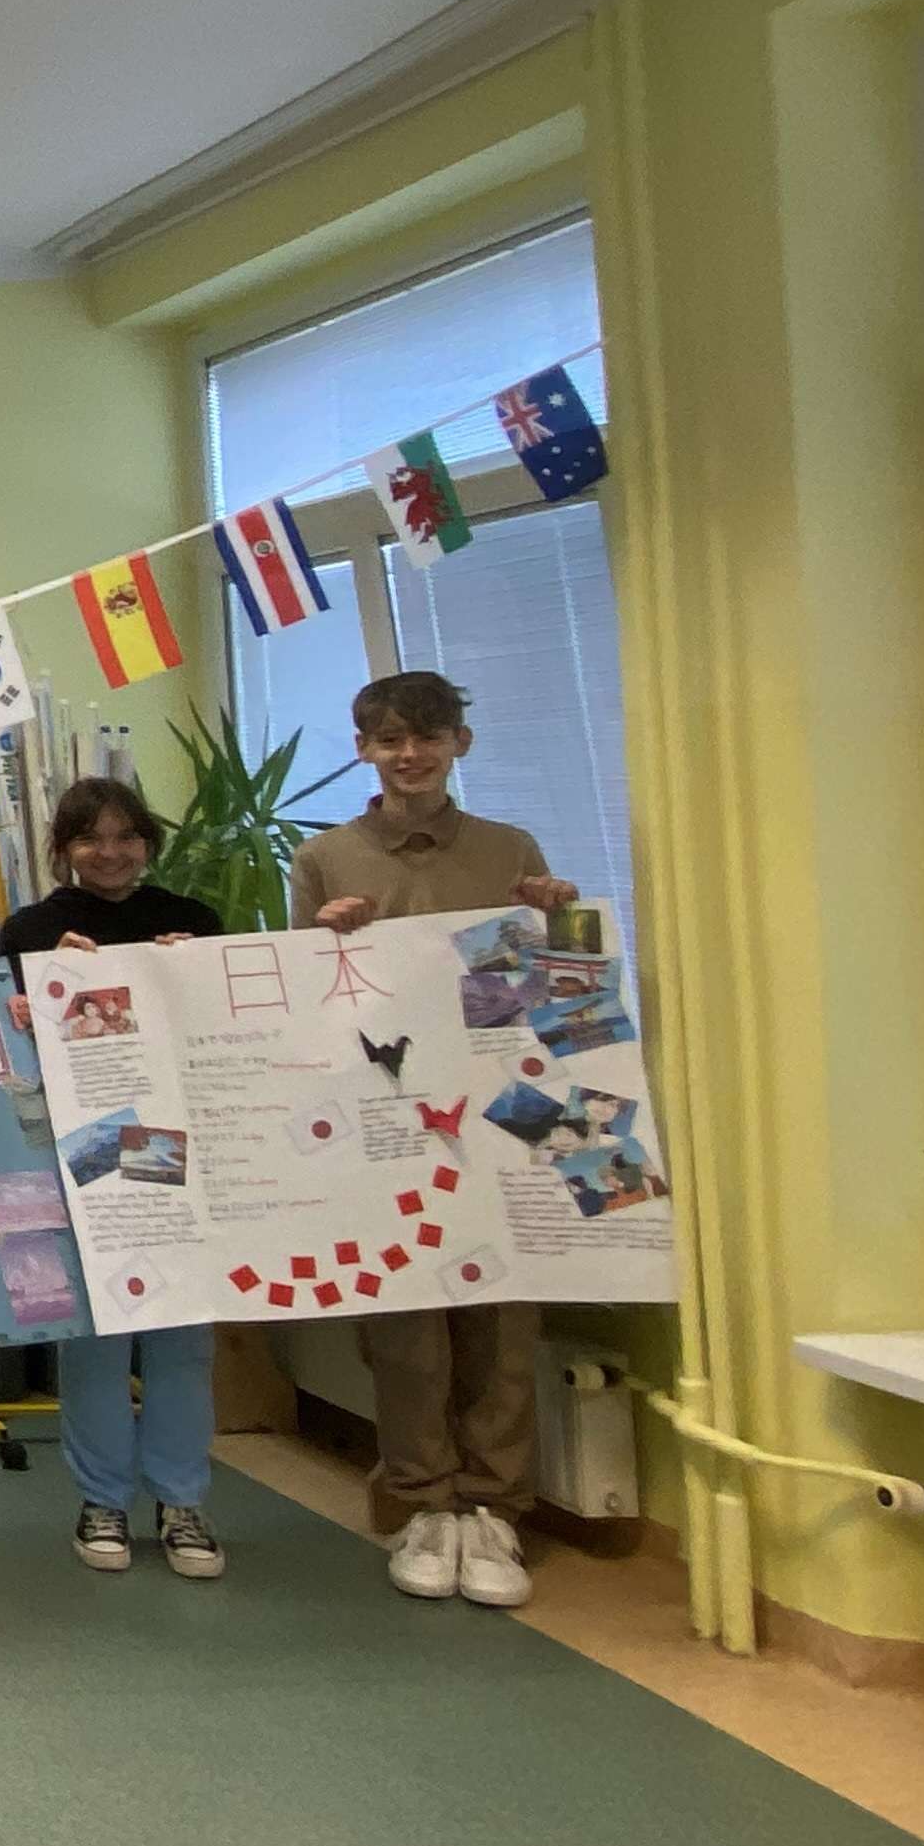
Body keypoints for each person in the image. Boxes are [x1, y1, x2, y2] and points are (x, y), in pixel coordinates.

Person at [289, 670, 580, 1613]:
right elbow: (300, 1003)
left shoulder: (509, 849)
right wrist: (323, 939)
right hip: (386, 1120)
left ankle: (494, 1508)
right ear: (363, 749)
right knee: (406, 1319)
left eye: (427, 736)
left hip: (497, 1115)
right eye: (388, 739)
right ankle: (422, 1502)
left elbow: (545, 987)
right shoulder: (327, 856)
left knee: (503, 1313)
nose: (408, 754)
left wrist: (554, 916)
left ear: (461, 743)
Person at [0, 781, 227, 1581]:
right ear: (63, 849)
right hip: (85, 1150)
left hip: (181, 1150)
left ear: (149, 844)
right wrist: (32, 1000)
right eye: (91, 838)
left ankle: (182, 1499)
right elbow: (10, 1049)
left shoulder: (194, 923)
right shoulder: (31, 930)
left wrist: (191, 978)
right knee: (95, 1338)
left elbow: (227, 1034)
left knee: (181, 1339)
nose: (111, 853)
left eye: (128, 836)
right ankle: (102, 1500)